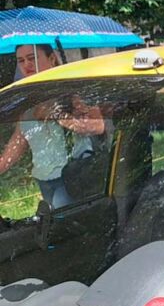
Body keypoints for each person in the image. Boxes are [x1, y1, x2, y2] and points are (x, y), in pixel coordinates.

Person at [0, 44, 105, 209]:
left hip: (73, 175)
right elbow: (17, 142)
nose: (26, 65)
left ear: (51, 59)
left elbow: (98, 126)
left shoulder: (71, 92)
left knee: (63, 225)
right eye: (21, 60)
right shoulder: (27, 100)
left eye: (32, 58)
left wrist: (57, 114)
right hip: (43, 179)